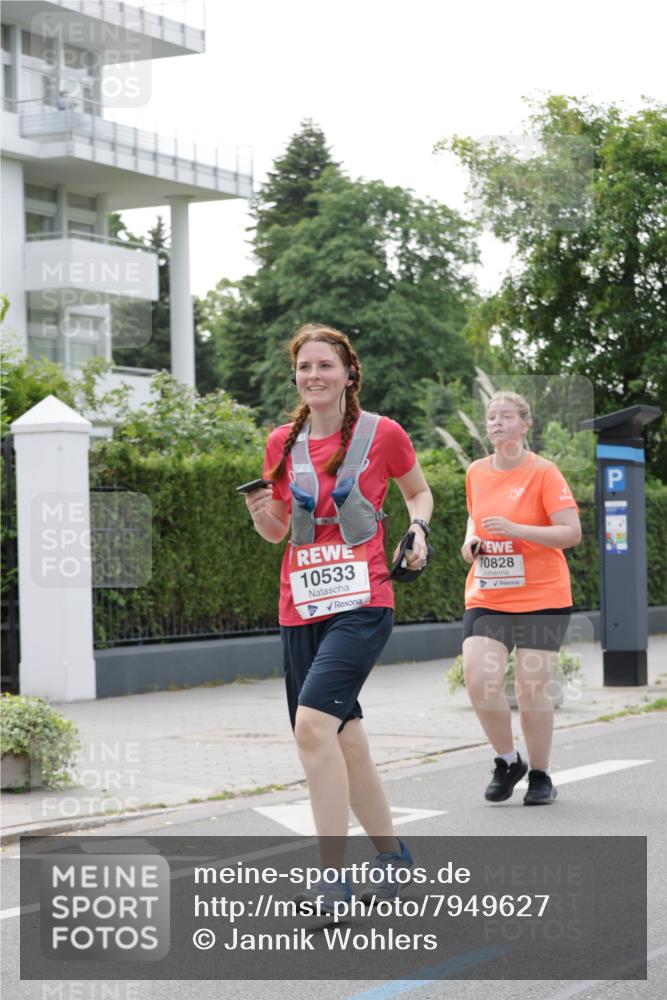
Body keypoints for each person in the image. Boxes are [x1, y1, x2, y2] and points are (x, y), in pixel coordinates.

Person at [244, 323, 433, 909]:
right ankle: (393, 856)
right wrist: (259, 513)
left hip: (364, 600)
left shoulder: (384, 433)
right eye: (304, 367)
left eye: (325, 365)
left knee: (311, 728)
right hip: (301, 604)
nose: (314, 376)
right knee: (345, 739)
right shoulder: (282, 443)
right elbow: (277, 530)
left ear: (349, 373)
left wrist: (418, 530)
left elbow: (418, 492)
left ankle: (332, 879)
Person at [460, 390, 581, 806]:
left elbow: (570, 532)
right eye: (491, 417)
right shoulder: (476, 471)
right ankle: (508, 761)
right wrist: (470, 542)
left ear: (525, 425)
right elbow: (474, 520)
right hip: (488, 594)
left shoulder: (544, 472)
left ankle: (541, 775)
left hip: (541, 596)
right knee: (479, 681)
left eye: (506, 416)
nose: (496, 422)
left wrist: (518, 530)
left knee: (531, 689)